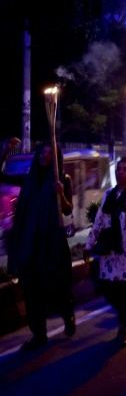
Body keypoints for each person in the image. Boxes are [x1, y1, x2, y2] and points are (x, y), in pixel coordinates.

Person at [8, 143, 76, 350]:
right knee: (31, 290)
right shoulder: (29, 180)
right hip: (30, 243)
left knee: (57, 285)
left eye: (50, 153)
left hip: (52, 243)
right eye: (42, 152)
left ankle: (67, 315)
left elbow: (67, 210)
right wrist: (6, 151)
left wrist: (61, 194)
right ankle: (39, 335)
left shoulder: (62, 179)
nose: (45, 156)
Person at [85, 157, 126, 346]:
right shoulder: (109, 195)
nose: (120, 172)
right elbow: (99, 221)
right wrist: (89, 244)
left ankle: (125, 326)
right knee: (109, 288)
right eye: (119, 169)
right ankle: (125, 318)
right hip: (112, 253)